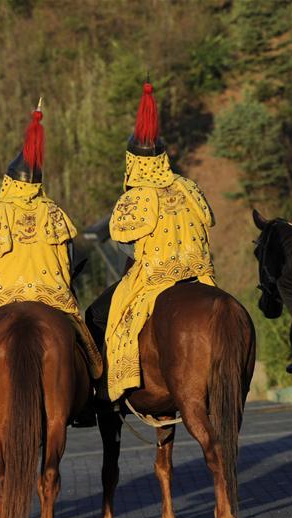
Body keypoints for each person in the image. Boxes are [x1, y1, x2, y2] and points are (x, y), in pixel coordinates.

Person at [0, 99, 103, 436]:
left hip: (0, 295)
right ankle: (87, 402)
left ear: (8, 182)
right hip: (52, 295)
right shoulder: (55, 213)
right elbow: (69, 260)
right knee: (88, 351)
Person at [86, 81, 216, 402]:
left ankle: (106, 389)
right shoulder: (188, 187)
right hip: (200, 276)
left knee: (100, 317)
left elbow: (125, 245)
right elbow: (206, 224)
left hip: (153, 278)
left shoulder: (136, 196)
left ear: (133, 161)